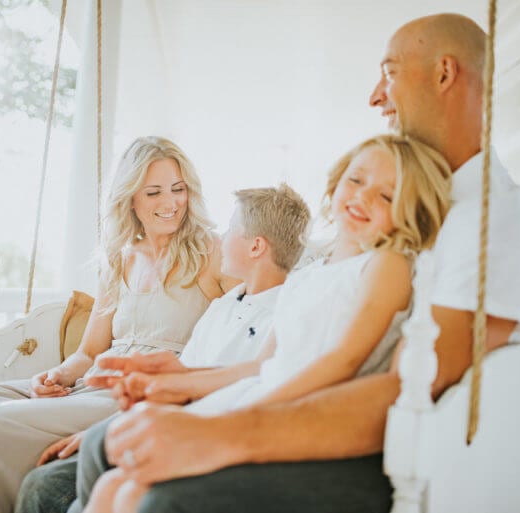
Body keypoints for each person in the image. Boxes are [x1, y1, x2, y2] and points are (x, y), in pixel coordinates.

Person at [72, 13, 520, 513]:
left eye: (389, 72)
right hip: (341, 417)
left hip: (429, 461)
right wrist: (182, 380)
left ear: (443, 74)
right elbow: (282, 362)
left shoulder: (492, 223)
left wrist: (221, 433)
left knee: (155, 493)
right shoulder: (413, 222)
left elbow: (407, 388)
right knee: (101, 449)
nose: (375, 96)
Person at [85, 133, 452, 513]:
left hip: (292, 410)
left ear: (410, 210)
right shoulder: (309, 274)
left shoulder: (385, 264)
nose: (362, 198)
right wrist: (170, 381)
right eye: (356, 181)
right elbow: (260, 365)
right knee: (114, 485)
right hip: (260, 392)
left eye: (387, 196)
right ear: (337, 181)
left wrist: (255, 413)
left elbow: (345, 361)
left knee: (135, 492)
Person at [0, 136, 236, 513]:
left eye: (178, 189)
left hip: (135, 394)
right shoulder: (120, 259)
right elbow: (90, 352)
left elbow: (252, 321)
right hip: (89, 382)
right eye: (154, 192)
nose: (171, 203)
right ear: (130, 200)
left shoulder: (212, 252)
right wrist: (55, 376)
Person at [14, 183, 312, 513]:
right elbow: (180, 384)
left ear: (256, 247)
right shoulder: (223, 306)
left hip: (193, 437)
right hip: (161, 424)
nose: (220, 239)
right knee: (41, 482)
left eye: (230, 230)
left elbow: (239, 394)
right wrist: (103, 429)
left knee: (51, 487)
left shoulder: (285, 314)